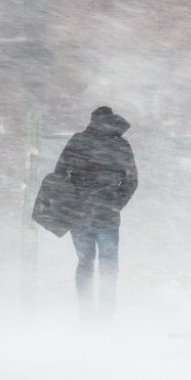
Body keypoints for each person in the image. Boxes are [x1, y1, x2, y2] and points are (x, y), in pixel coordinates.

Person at [54, 106, 138, 321]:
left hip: (79, 214)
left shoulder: (78, 141)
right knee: (108, 263)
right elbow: (131, 181)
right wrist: (115, 202)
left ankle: (86, 311)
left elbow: (59, 175)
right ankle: (107, 311)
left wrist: (71, 199)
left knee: (85, 262)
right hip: (107, 215)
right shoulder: (120, 144)